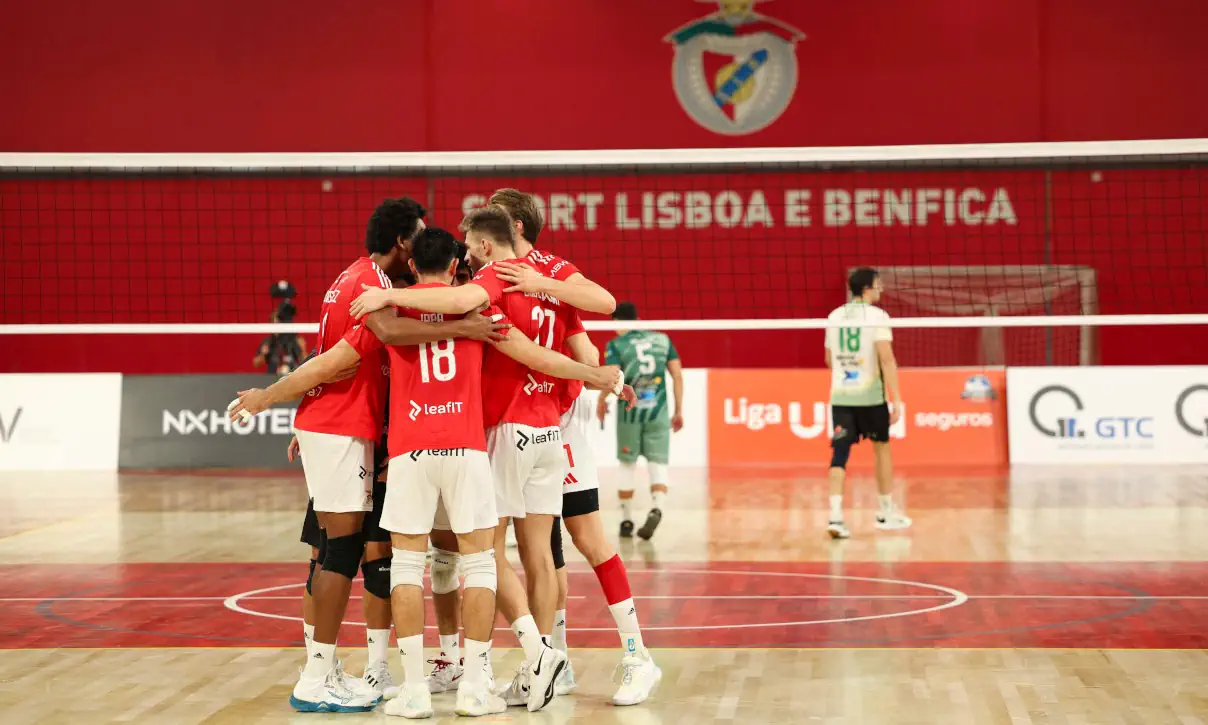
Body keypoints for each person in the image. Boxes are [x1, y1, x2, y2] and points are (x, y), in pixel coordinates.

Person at [350, 206, 634, 712]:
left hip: (442, 444)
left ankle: (435, 677)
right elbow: (569, 336)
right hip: (517, 437)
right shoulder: (518, 294)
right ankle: (507, 672)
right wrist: (597, 377)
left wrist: (386, 294)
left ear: (413, 265)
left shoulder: (452, 299)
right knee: (519, 557)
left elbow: (398, 330)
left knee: (422, 564)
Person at [230, 202, 498, 713]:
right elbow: (349, 352)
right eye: (414, 237)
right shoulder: (373, 286)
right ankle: (316, 677)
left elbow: (336, 355)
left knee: (343, 551)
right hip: (344, 429)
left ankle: (327, 666)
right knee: (342, 552)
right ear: (404, 244)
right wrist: (271, 396)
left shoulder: (356, 277)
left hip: (347, 429)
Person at [486, 188, 661, 705]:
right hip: (513, 423)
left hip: (558, 420)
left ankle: (637, 654)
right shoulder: (488, 274)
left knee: (586, 537)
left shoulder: (550, 271)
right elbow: (579, 338)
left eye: (493, 214)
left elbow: (594, 312)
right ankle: (552, 661)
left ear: (515, 223)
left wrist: (601, 376)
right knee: (544, 551)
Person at [823, 267, 912, 539]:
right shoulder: (877, 317)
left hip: (841, 397)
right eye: (878, 285)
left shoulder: (834, 316)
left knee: (839, 454)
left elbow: (829, 360)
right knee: (882, 449)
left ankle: (836, 517)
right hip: (871, 398)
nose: (881, 289)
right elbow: (886, 358)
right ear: (866, 288)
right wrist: (896, 399)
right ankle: (885, 511)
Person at [598, 302, 684, 542]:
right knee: (658, 464)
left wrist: (601, 400)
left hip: (630, 414)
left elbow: (612, 377)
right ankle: (657, 507)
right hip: (658, 412)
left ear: (617, 321)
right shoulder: (662, 340)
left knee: (627, 464)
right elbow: (677, 374)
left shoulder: (616, 345)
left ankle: (626, 520)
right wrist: (679, 411)